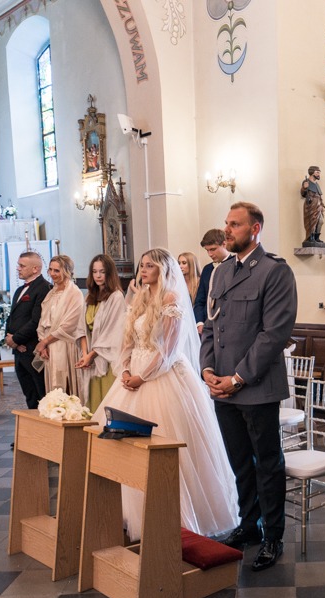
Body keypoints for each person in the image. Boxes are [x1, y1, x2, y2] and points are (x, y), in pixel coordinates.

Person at [94, 249, 237, 539]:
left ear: (162, 269)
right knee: (122, 446)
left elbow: (169, 350)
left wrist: (142, 376)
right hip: (132, 375)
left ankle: (174, 516)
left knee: (166, 443)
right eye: (142, 265)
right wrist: (125, 369)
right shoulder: (139, 298)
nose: (143, 270)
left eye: (149, 266)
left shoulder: (171, 299)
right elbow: (128, 342)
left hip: (162, 376)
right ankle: (126, 511)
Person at [201, 202, 298, 571]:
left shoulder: (274, 271)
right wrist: (208, 369)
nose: (227, 230)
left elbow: (274, 334)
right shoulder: (221, 272)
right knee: (240, 462)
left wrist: (237, 378)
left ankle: (273, 535)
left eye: (235, 224)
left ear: (255, 229)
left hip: (255, 387)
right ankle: (249, 525)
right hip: (222, 387)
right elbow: (211, 327)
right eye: (226, 223)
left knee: (267, 465)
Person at [76, 254, 126, 411]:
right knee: (92, 404)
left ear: (109, 273)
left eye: (102, 272)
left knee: (107, 404)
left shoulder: (116, 297)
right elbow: (81, 328)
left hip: (107, 358)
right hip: (91, 358)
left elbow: (112, 332)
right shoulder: (89, 297)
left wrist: (91, 356)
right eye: (94, 271)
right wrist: (85, 354)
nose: (97, 275)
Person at [35, 254, 88, 400]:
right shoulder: (51, 294)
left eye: (57, 270)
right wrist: (43, 343)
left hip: (65, 344)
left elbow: (69, 324)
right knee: (53, 388)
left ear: (67, 271)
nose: (52, 274)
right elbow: (42, 321)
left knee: (66, 386)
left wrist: (45, 341)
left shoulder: (74, 293)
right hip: (49, 347)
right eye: (50, 270)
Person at [4, 251, 51, 410]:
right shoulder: (19, 290)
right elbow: (12, 317)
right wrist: (10, 339)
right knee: (29, 394)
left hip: (32, 348)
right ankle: (32, 423)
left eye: (22, 266)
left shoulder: (44, 288)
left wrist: (16, 339)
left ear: (35, 268)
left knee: (41, 392)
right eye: (19, 265)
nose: (18, 268)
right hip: (19, 350)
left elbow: (36, 320)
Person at [193, 228, 229, 331]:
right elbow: (200, 300)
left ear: (224, 244)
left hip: (226, 325)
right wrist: (200, 322)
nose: (210, 254)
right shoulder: (207, 269)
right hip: (206, 325)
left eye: (213, 249)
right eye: (207, 250)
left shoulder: (235, 266)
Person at [301, 166, 325, 246]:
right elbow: (303, 193)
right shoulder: (306, 182)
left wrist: (322, 205)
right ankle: (310, 237)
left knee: (320, 221)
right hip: (311, 205)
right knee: (312, 221)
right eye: (317, 172)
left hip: (319, 205)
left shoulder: (317, 184)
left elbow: (319, 195)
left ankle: (316, 237)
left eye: (319, 173)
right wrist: (304, 188)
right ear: (312, 172)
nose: (319, 174)